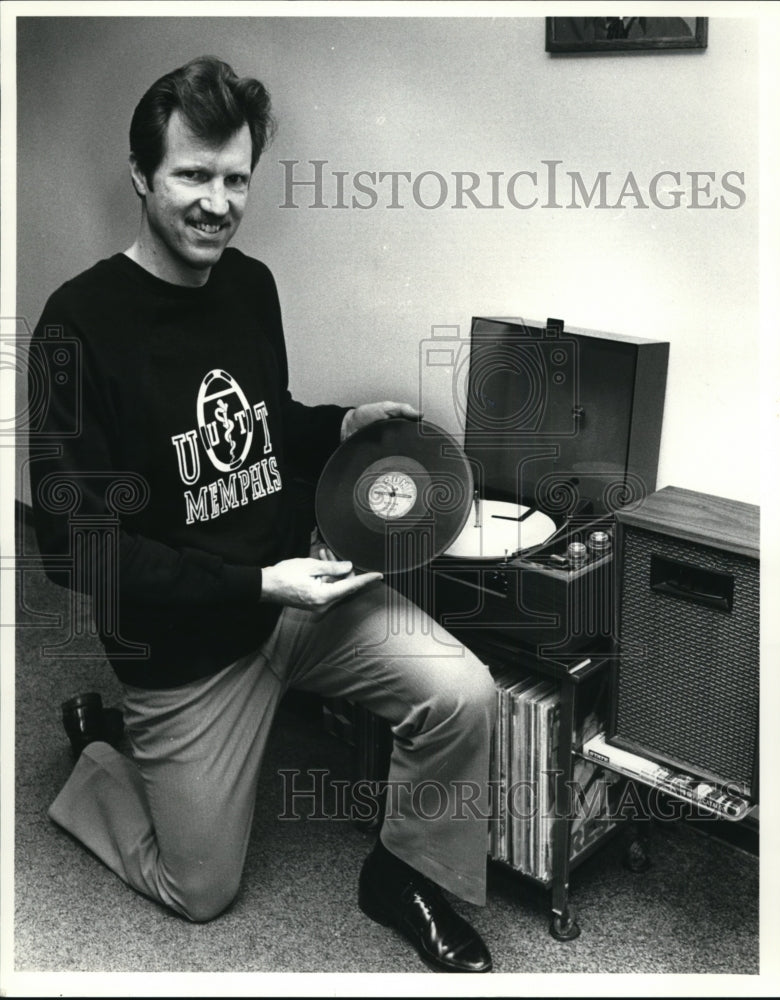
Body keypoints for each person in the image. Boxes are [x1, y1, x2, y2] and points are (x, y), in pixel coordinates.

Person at [29, 56, 497, 974]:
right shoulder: (76, 327)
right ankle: (98, 757)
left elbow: (259, 427)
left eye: (235, 177)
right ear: (139, 174)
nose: (218, 202)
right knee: (198, 892)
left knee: (463, 693)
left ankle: (401, 873)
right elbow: (74, 550)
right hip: (188, 648)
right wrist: (253, 582)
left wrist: (337, 424)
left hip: (298, 603)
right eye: (192, 175)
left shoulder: (250, 286)